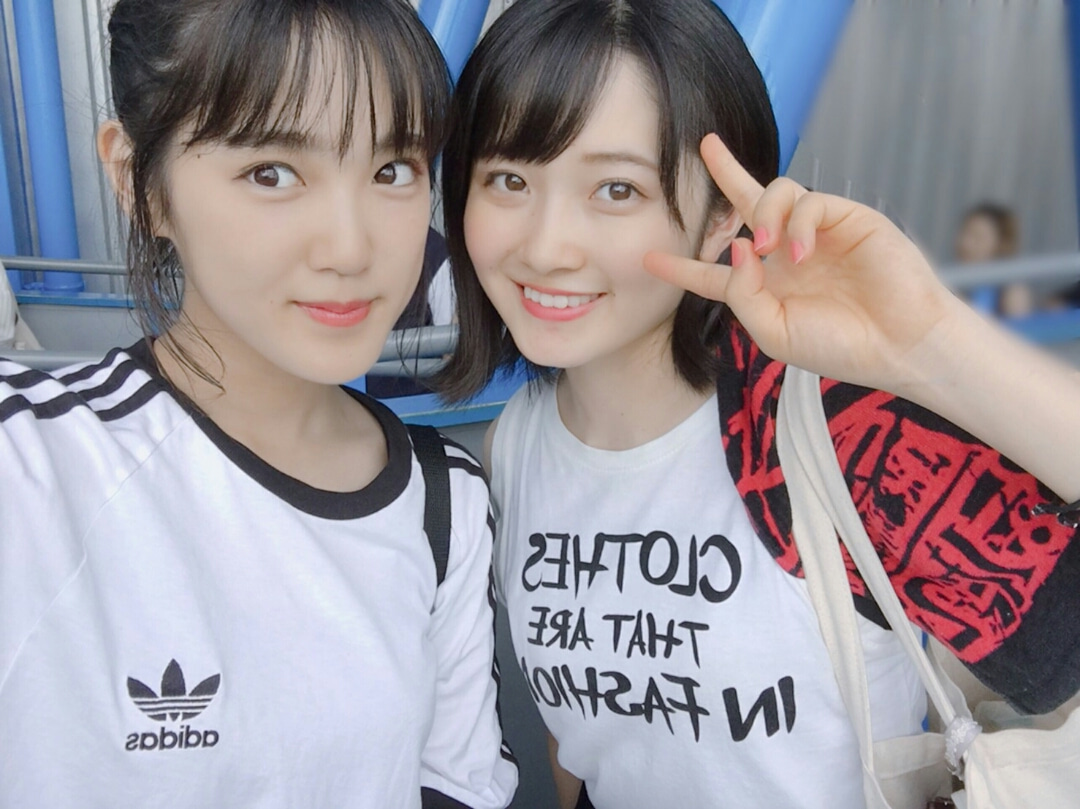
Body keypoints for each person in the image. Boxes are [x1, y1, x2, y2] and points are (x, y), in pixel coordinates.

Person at [434, 1, 1080, 807]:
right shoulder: (516, 446)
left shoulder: (826, 428)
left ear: (720, 217)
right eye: (510, 179)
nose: (545, 246)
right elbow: (584, 746)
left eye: (615, 188)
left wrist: (928, 340)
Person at [0, 1, 517, 806]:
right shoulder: (33, 465)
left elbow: (455, 785)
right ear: (140, 183)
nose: (350, 247)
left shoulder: (443, 501)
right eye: (272, 172)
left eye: (392, 169)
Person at [953, 202, 1033, 318]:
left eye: (977, 237)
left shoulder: (1010, 290)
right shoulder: (955, 282)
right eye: (964, 233)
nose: (965, 243)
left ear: (1000, 245)